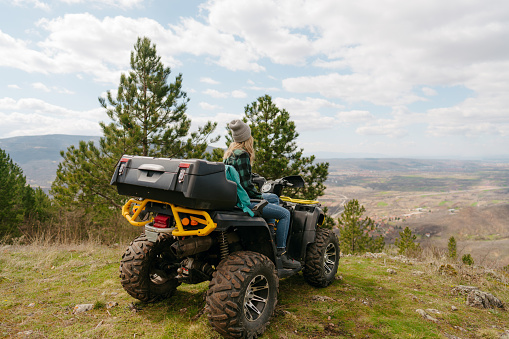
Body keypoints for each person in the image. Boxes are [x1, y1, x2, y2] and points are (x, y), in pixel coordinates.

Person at [224, 119, 300, 269]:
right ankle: (281, 252)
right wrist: (258, 197)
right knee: (285, 214)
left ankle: (270, 231)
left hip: (234, 197)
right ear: (247, 138)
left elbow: (239, 177)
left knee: (273, 197)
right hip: (244, 201)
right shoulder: (243, 155)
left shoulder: (229, 154)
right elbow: (246, 186)